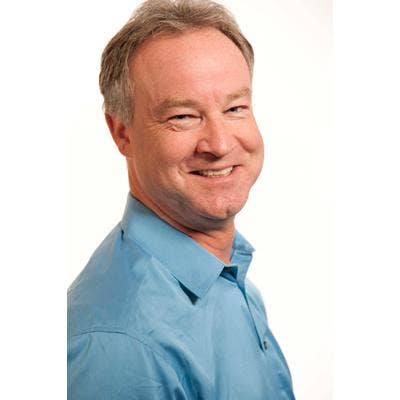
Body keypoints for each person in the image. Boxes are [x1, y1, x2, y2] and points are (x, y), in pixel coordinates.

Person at [67, 0, 295, 398]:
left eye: (235, 108)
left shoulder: (225, 278)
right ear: (122, 133)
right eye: (183, 116)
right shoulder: (121, 344)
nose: (219, 144)